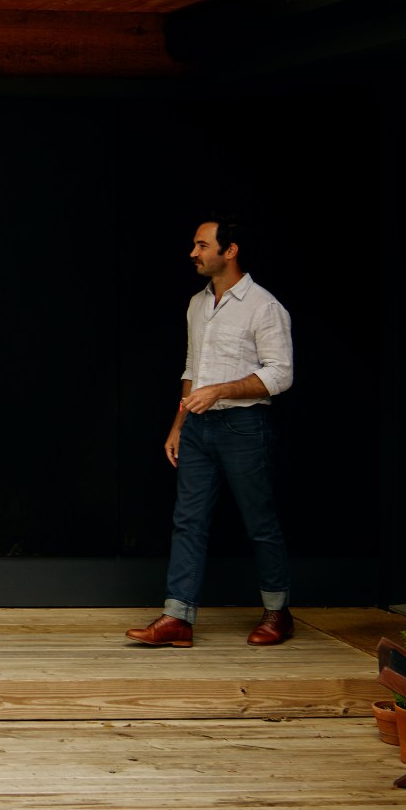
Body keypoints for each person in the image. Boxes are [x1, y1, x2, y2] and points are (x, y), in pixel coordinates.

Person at [128, 217, 297, 648]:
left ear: (230, 251)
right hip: (198, 428)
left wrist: (221, 390)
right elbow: (192, 368)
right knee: (188, 521)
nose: (193, 253)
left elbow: (280, 375)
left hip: (244, 426)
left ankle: (278, 614)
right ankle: (178, 619)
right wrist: (179, 424)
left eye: (202, 245)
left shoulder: (264, 307)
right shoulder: (197, 304)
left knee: (259, 523)